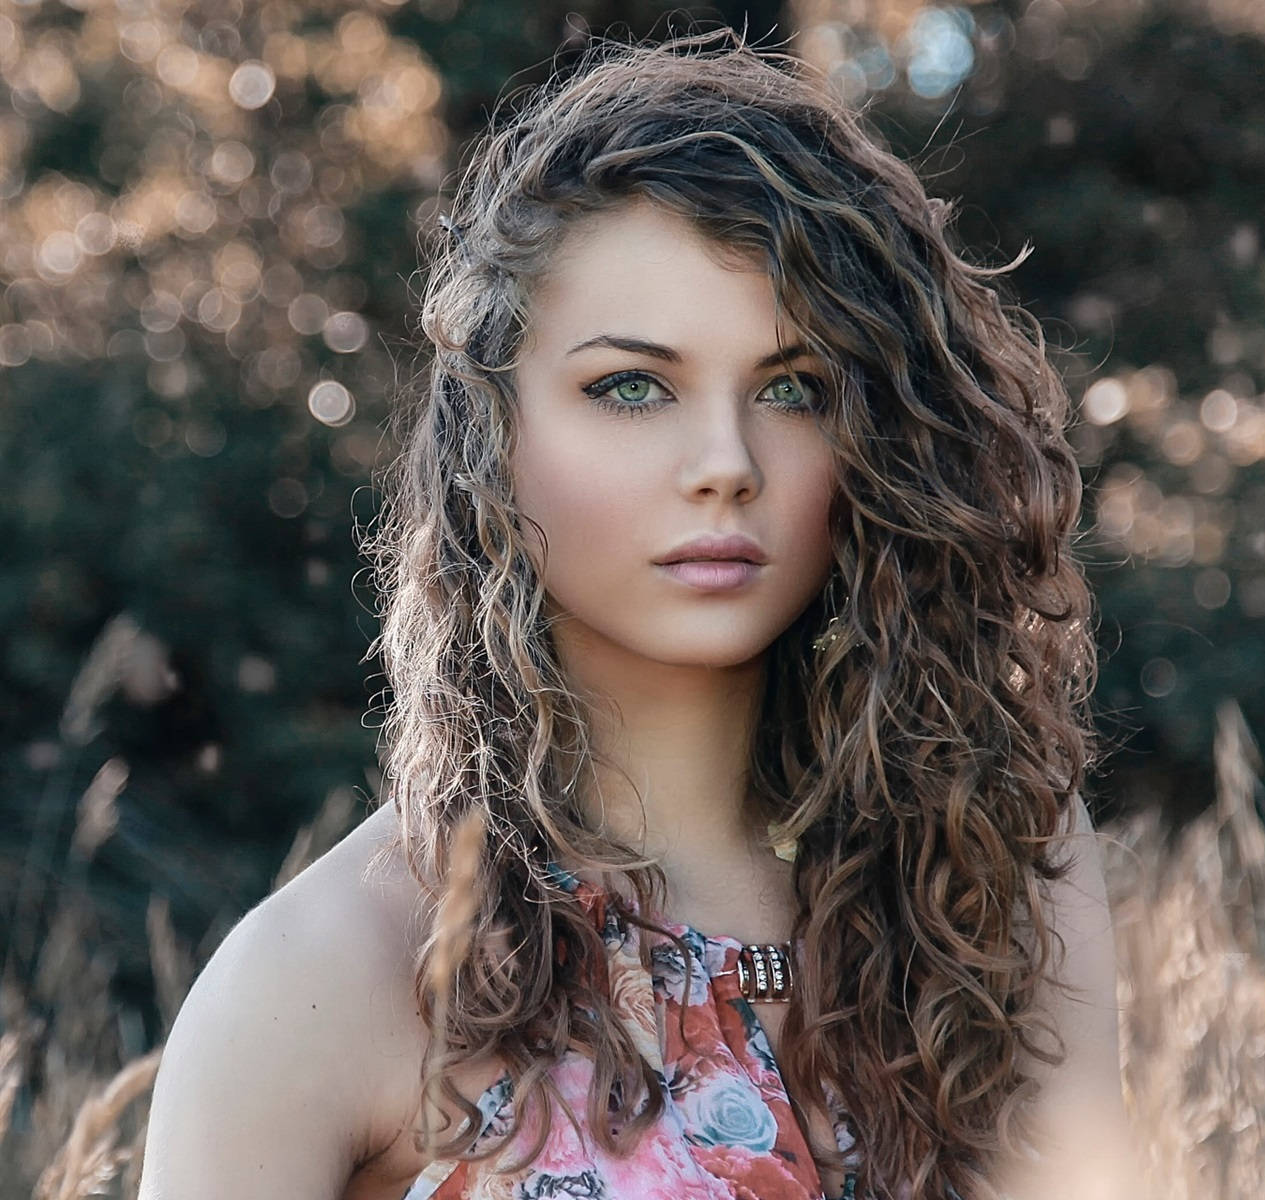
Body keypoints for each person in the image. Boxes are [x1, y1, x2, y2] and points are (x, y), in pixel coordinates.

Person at [140, 25, 1133, 1200]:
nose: (725, 462)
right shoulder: (323, 983)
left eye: (794, 388)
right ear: (493, 441)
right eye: (631, 387)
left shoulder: (993, 870)